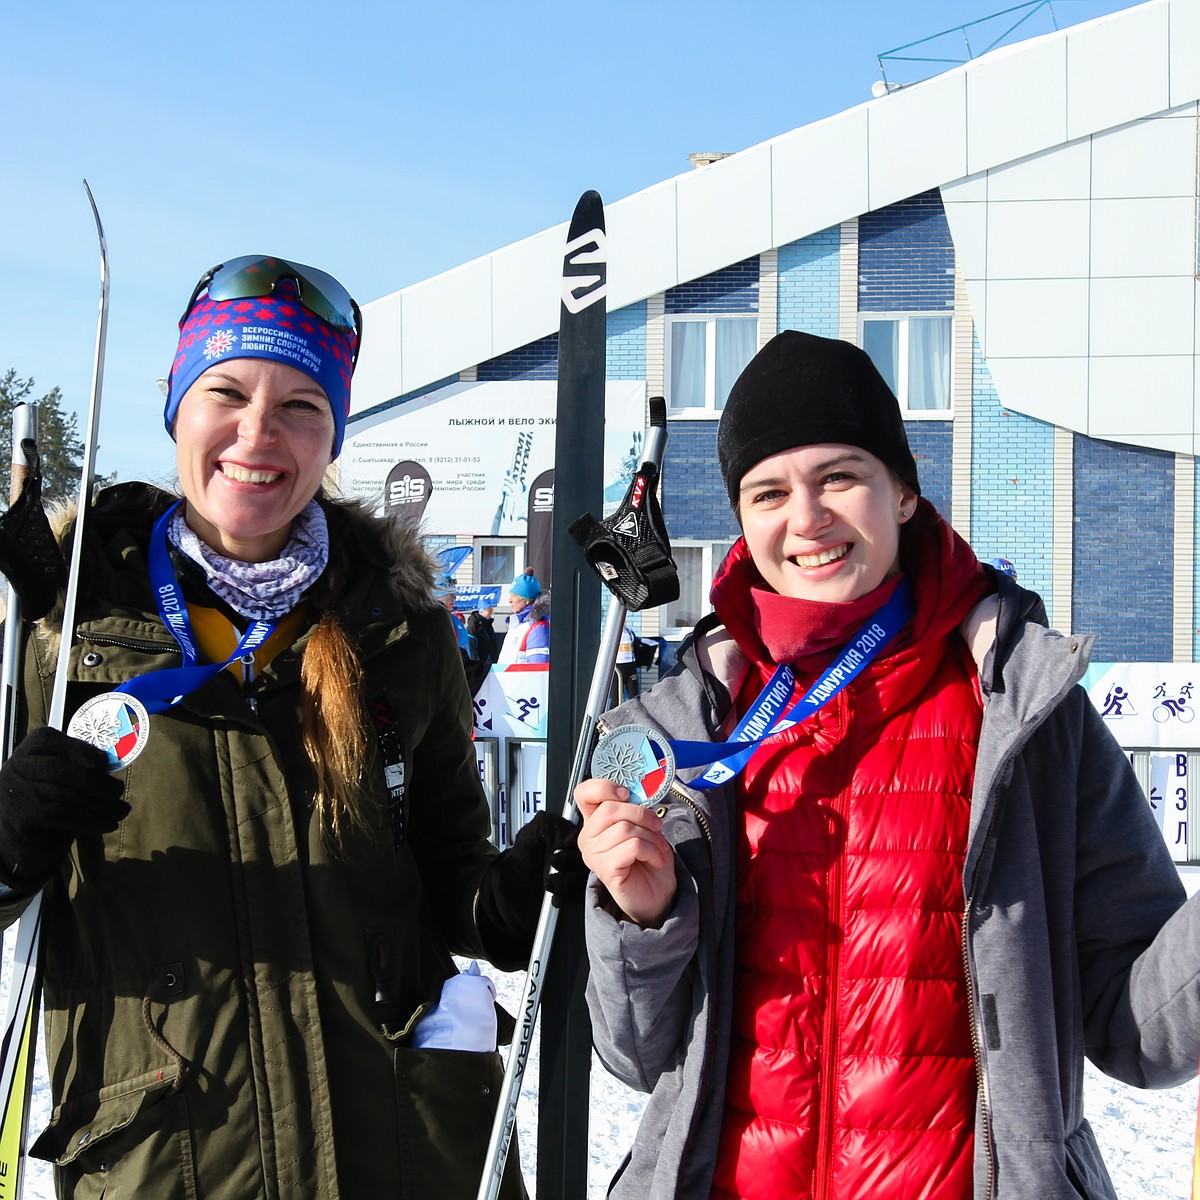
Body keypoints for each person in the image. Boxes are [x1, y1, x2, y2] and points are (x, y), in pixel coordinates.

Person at [0, 255, 581, 1199]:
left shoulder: (400, 628)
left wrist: (513, 899)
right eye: (225, 392)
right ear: (178, 412)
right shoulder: (58, 626)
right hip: (172, 1158)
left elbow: (450, 884)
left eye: (302, 407)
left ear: (333, 434)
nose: (258, 434)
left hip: (401, 1145)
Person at [574, 329, 1200, 1200]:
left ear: (903, 490)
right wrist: (645, 917)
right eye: (768, 492)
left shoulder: (1023, 711)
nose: (806, 518)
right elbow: (638, 1056)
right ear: (743, 521)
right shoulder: (691, 727)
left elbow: (1142, 1031)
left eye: (840, 477)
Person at [497, 569, 549, 666]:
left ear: (527, 600)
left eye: (514, 596)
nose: (509, 600)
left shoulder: (537, 628)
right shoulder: (516, 624)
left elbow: (538, 671)